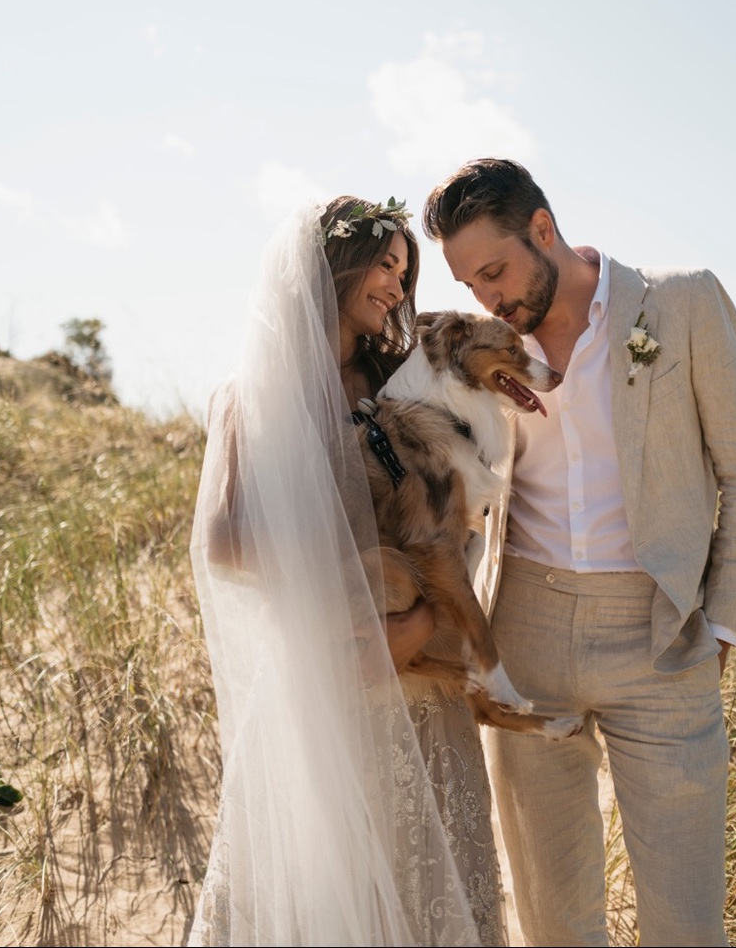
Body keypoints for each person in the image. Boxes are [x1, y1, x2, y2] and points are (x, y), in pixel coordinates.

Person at [422, 159, 736, 947]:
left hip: (661, 636)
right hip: (526, 631)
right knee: (554, 918)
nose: (488, 298)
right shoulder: (480, 343)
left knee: (687, 921)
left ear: (544, 231)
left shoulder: (680, 302)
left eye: (495, 271)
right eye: (470, 283)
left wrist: (721, 626)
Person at [189, 196, 505, 946]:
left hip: (421, 687)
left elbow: (463, 524)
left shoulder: (407, 390)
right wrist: (343, 590)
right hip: (314, 688)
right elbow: (224, 545)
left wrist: (417, 623)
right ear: (333, 268)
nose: (399, 286)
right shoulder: (247, 401)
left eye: (405, 271)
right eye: (386, 266)